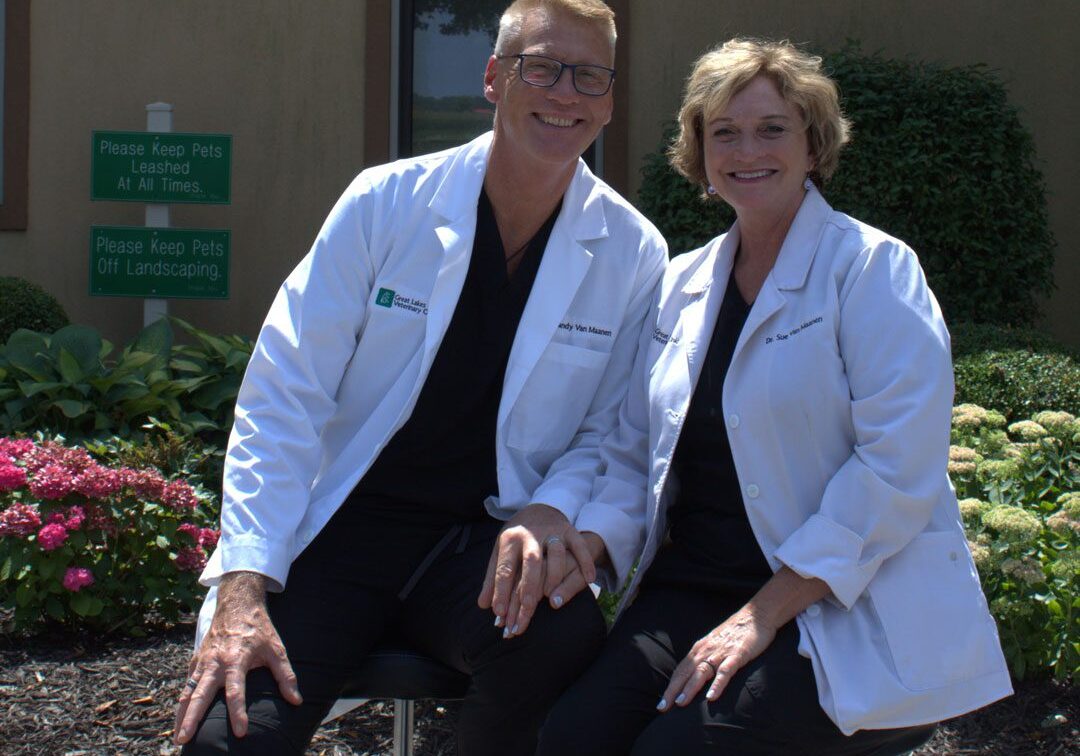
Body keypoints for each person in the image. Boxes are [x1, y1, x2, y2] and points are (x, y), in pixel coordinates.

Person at [172, 1, 667, 753]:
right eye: (542, 68)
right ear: (495, 78)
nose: (566, 93)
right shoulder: (386, 203)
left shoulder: (632, 251)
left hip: (481, 548)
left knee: (557, 638)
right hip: (339, 536)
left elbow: (606, 432)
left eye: (589, 76)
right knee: (227, 739)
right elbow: (284, 394)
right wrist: (242, 584)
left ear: (608, 100)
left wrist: (552, 509)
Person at [538, 38, 1013, 755]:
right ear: (700, 154)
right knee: (573, 736)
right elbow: (634, 453)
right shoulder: (682, 282)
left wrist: (760, 615)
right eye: (724, 132)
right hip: (692, 590)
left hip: (838, 602)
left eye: (771, 129)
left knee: (677, 752)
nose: (746, 150)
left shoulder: (873, 270)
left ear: (813, 146)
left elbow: (896, 470)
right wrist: (591, 543)